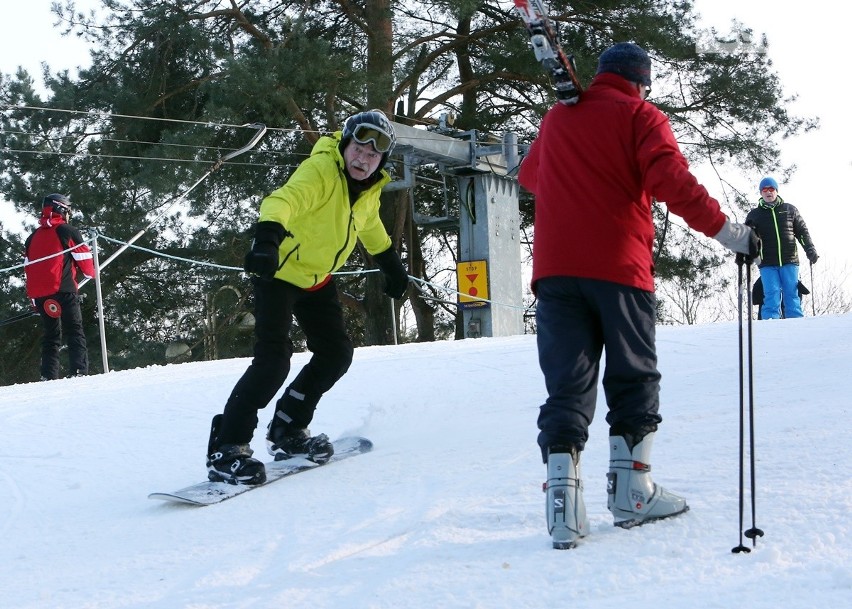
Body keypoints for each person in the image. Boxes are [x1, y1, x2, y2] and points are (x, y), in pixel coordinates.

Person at [518, 42, 759, 549]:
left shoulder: (559, 117)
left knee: (567, 385)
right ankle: (632, 494)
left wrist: (574, 145)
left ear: (602, 74)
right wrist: (730, 234)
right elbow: (670, 179)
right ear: (642, 82)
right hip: (618, 269)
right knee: (633, 376)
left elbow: (530, 176)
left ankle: (563, 511)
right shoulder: (641, 115)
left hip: (556, 273)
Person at [206, 109, 409, 485]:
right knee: (273, 362)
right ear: (346, 144)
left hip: (317, 279)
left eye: (373, 154)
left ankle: (288, 428)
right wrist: (266, 239)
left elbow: (371, 228)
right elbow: (281, 202)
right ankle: (227, 447)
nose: (363, 159)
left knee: (336, 353)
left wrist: (391, 265)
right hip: (280, 273)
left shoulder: (368, 190)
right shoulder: (321, 171)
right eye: (359, 148)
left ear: (381, 160)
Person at [23, 193, 95, 380]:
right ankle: (78, 371)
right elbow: (85, 262)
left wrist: (33, 301)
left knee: (51, 336)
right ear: (61, 210)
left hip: (40, 296)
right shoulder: (67, 231)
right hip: (64, 290)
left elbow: (28, 269)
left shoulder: (31, 238)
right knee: (74, 330)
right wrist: (91, 274)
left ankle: (47, 376)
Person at [745, 177, 818, 320]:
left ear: (776, 191)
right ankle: (770, 325)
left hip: (789, 259)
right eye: (764, 190)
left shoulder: (789, 210)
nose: (768, 192)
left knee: (791, 293)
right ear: (761, 193)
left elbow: (802, 232)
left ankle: (796, 323)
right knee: (771, 294)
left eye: (771, 189)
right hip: (767, 262)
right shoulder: (754, 215)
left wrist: (810, 249)